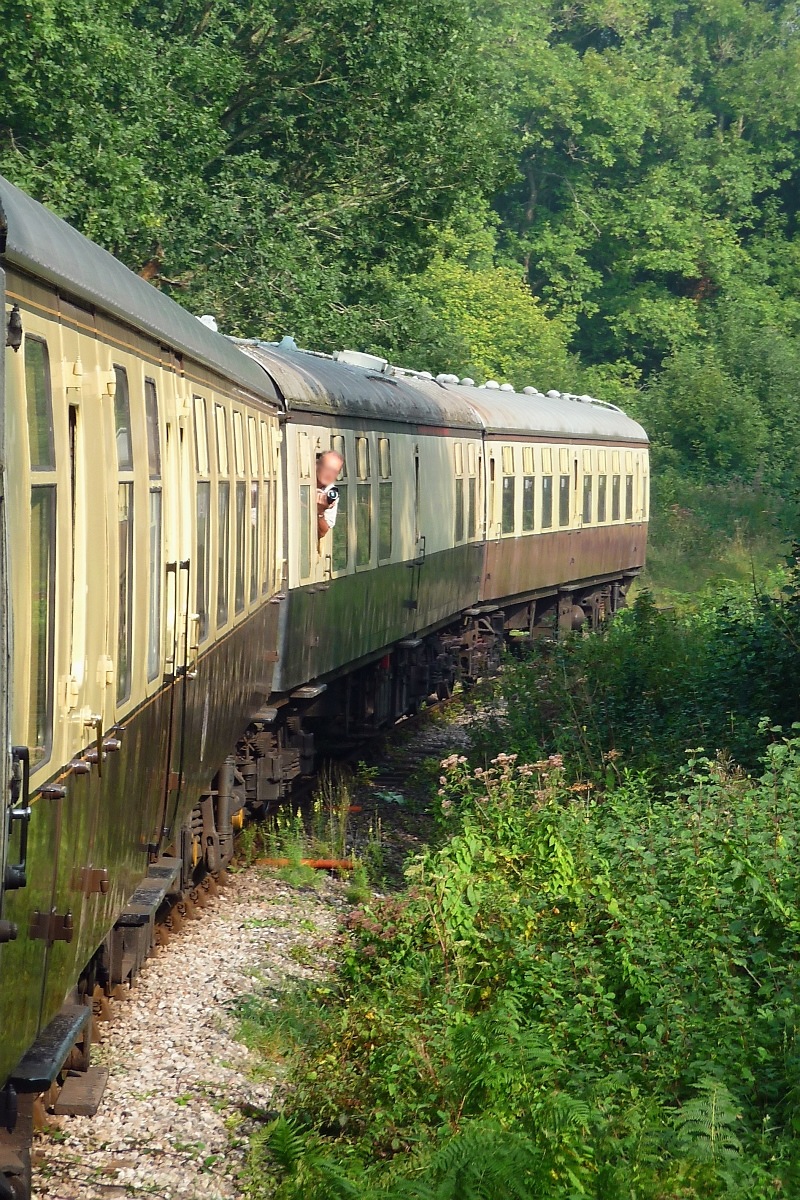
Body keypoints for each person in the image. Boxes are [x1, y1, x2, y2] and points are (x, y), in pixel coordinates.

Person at [316, 450, 344, 539]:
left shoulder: (331, 492)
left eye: (334, 471)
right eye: (327, 468)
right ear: (316, 465)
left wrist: (320, 511)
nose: (329, 474)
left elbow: (322, 533)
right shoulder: (302, 481)